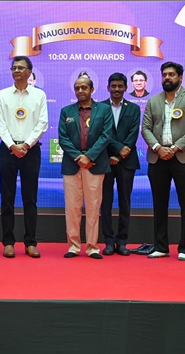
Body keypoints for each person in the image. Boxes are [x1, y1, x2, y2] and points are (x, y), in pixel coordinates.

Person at [141, 61, 185, 261]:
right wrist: (158, 148)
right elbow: (146, 129)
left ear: (180, 77)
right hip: (158, 157)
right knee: (159, 204)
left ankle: (184, 249)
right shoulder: (153, 101)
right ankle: (161, 246)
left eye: (171, 74)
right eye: (164, 75)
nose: (167, 78)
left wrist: (175, 148)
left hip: (183, 157)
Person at [0, 56, 48, 258]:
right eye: (14, 67)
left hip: (30, 150)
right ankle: (8, 242)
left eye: (20, 67)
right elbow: (0, 124)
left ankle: (30, 242)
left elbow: (42, 123)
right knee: (7, 197)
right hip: (8, 150)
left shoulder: (39, 95)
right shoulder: (3, 95)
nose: (16, 70)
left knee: (30, 198)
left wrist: (25, 145)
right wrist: (12, 145)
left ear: (29, 72)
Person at [59, 76, 113, 259]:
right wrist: (79, 157)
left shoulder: (104, 109)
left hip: (94, 164)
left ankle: (92, 247)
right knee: (72, 208)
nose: (80, 91)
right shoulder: (66, 111)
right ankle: (73, 246)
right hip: (72, 164)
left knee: (93, 208)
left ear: (92, 89)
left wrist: (89, 156)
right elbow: (63, 138)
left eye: (84, 87)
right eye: (77, 88)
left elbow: (106, 135)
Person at [100, 73, 141, 256]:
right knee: (105, 202)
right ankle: (108, 241)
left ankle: (122, 241)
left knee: (125, 202)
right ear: (108, 87)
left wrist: (121, 153)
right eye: (113, 86)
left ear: (125, 88)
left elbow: (133, 134)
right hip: (105, 160)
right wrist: (116, 151)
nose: (116, 89)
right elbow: (102, 134)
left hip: (127, 160)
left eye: (120, 86)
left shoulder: (134, 108)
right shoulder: (100, 107)